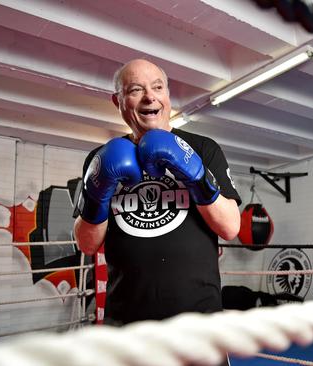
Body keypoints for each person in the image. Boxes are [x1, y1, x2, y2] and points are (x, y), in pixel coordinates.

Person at [73, 59, 241, 327]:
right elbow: (86, 244)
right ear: (118, 101)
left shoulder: (202, 148)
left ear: (167, 96)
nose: (149, 96)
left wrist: (196, 176)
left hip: (199, 324)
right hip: (127, 326)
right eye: (135, 90)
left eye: (157, 87)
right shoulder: (100, 159)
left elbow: (231, 227)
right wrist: (98, 189)